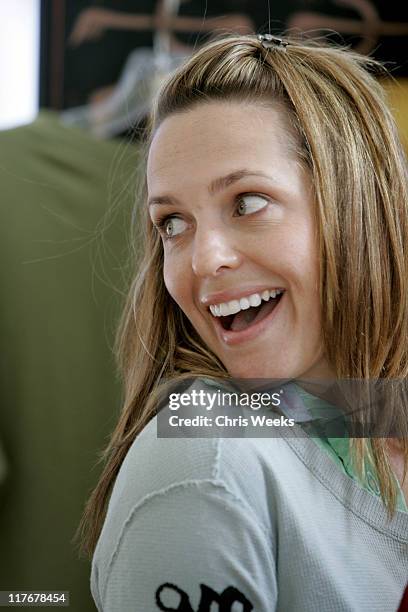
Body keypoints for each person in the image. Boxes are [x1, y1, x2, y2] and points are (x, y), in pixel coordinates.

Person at [75, 34, 408, 611]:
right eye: (172, 223)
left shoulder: (370, 413)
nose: (202, 259)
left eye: (247, 203)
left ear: (357, 204)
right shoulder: (206, 458)